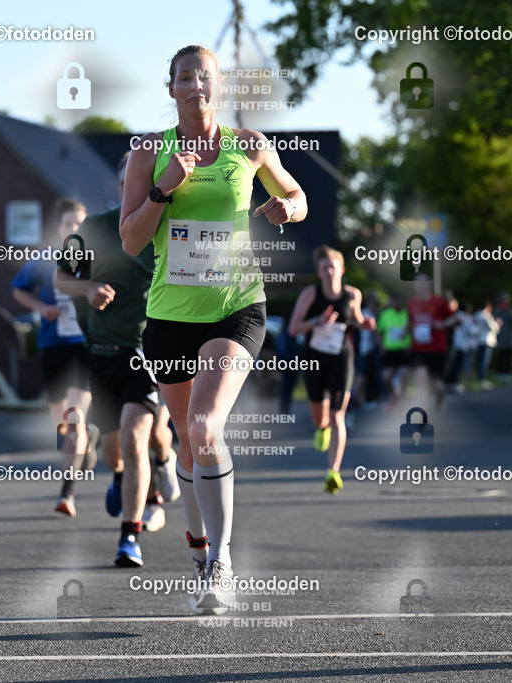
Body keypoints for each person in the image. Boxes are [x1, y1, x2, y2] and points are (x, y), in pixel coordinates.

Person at [120, 45, 307, 613]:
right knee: (186, 441)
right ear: (170, 87)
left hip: (236, 306)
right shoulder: (148, 153)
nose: (195, 85)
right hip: (170, 316)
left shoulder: (248, 145)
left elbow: (296, 194)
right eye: (184, 77)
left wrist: (286, 210)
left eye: (205, 76)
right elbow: (130, 240)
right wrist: (163, 189)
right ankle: (199, 547)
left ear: (217, 85)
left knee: (204, 427)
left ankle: (220, 564)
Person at [55, 152, 177, 565]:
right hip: (100, 352)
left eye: (142, 178)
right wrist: (87, 289)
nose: (134, 185)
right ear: (120, 184)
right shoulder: (92, 228)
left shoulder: (165, 228)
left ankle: (130, 536)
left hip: (144, 350)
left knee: (134, 436)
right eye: (127, 178)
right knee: (114, 453)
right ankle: (129, 477)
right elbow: (61, 278)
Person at [13, 198, 95, 516]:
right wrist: (41, 308)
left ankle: (67, 492)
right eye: (69, 224)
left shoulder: (96, 259)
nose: (75, 229)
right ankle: (85, 442)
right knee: (62, 426)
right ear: (59, 227)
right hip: (52, 346)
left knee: (75, 416)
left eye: (80, 224)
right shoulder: (45, 259)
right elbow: (19, 289)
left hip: (85, 346)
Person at [289, 247, 376, 494]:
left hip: (341, 358)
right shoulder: (310, 294)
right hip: (315, 359)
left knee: (339, 416)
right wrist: (317, 321)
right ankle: (321, 428)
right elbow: (293, 329)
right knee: (321, 418)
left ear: (341, 269)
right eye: (324, 267)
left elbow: (357, 319)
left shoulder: (352, 295)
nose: (329, 271)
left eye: (333, 267)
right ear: (318, 271)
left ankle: (333, 471)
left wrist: (365, 324)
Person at [407, 274, 455, 406]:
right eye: (418, 283)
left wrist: (442, 324)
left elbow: (453, 318)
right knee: (420, 381)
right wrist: (404, 332)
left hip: (437, 348)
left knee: (437, 384)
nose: (421, 285)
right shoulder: (412, 302)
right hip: (419, 348)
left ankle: (440, 395)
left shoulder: (439, 302)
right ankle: (423, 416)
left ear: (428, 284)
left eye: (423, 282)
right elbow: (410, 321)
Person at [377, 292, 411, 405]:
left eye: (399, 300)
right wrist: (381, 345)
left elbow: (414, 331)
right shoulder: (385, 314)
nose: (397, 303)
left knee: (403, 376)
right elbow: (379, 332)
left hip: (404, 350)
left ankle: (404, 398)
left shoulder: (408, 314)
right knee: (386, 378)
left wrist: (411, 345)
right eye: (395, 300)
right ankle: (395, 395)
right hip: (389, 351)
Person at [494, 292, 512, 382]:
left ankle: (507, 373)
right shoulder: (497, 310)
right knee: (501, 356)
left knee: (508, 356)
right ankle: (500, 373)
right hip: (501, 337)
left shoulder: (510, 310)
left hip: (509, 338)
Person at [474, 300, 500, 389]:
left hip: (478, 340)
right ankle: (482, 378)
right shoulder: (486, 316)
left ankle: (480, 378)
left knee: (481, 360)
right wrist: (498, 324)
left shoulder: (476, 315)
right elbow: (493, 328)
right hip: (486, 340)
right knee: (484, 361)